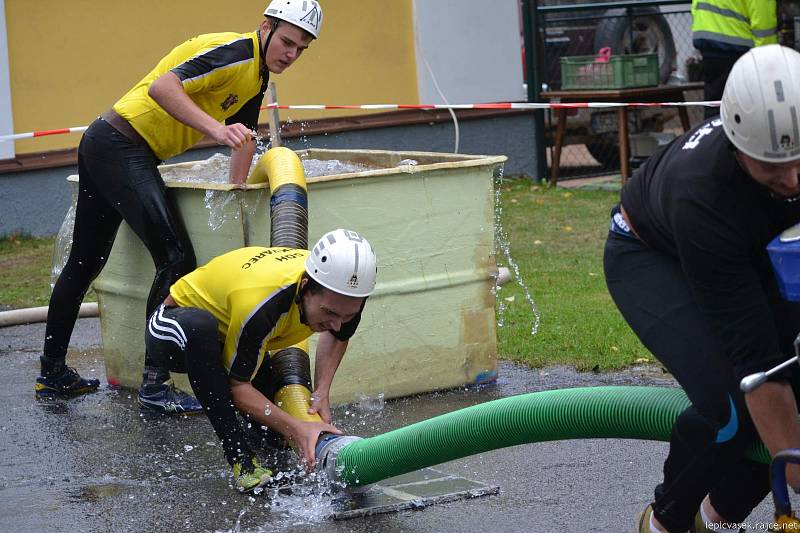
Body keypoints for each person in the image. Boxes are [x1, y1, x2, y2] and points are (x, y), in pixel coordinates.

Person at [34, 1, 323, 414]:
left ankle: (53, 375)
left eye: (301, 49)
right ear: (266, 27)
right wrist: (215, 128)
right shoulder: (238, 51)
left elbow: (240, 139)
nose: (291, 55)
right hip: (120, 144)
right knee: (175, 258)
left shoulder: (256, 77)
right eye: (288, 42)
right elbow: (162, 88)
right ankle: (155, 384)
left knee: (84, 263)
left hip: (110, 145)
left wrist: (235, 189)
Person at [604, 44, 800, 533]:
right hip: (648, 254)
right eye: (772, 166)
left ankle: (714, 520)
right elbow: (757, 366)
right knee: (735, 401)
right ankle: (665, 523)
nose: (793, 177)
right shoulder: (704, 197)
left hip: (749, 247)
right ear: (738, 147)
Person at [144, 229, 377, 492]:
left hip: (231, 332)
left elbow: (338, 335)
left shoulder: (346, 293)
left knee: (272, 435)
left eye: (346, 316)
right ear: (305, 288)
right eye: (329, 313)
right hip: (173, 324)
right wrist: (296, 428)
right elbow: (238, 387)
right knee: (203, 331)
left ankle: (260, 438)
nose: (336, 323)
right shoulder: (262, 304)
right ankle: (240, 459)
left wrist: (321, 392)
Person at [691, 0, 777, 118]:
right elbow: (763, 23)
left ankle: (712, 133)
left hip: (708, 43)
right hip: (737, 48)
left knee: (715, 106)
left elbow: (696, 6)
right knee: (743, 110)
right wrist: (767, 60)